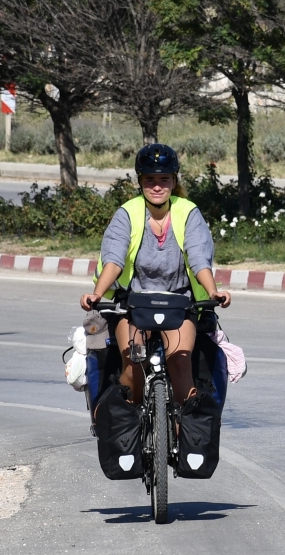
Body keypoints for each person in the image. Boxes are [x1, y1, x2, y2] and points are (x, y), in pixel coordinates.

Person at [80, 143, 231, 406]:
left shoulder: (188, 212)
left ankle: (182, 440)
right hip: (132, 304)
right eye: (150, 180)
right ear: (140, 182)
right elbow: (114, 260)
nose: (157, 186)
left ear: (174, 181)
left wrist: (213, 291)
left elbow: (198, 259)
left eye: (164, 179)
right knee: (133, 363)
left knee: (181, 363)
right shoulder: (127, 213)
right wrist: (97, 294)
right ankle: (131, 424)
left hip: (179, 304)